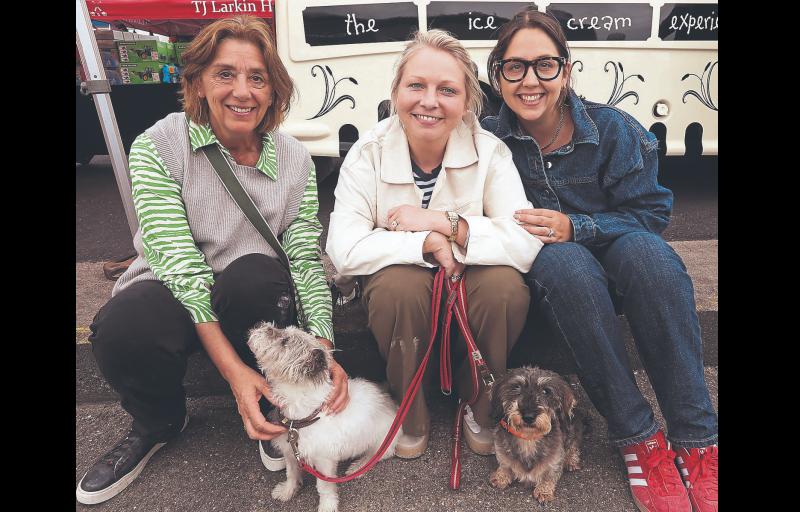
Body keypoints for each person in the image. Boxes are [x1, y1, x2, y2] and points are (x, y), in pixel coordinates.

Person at [76, 16, 348, 505]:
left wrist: (324, 357)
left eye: (257, 77)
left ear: (274, 92)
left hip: (251, 294)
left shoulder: (295, 159)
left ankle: (270, 405)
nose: (242, 91)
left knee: (256, 273)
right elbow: (180, 266)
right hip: (176, 289)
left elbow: (305, 255)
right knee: (122, 324)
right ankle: (159, 420)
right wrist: (230, 371)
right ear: (197, 81)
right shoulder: (158, 146)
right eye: (225, 74)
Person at [480, 8, 717, 512]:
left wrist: (579, 226)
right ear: (496, 73)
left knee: (651, 256)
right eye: (514, 67)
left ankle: (697, 439)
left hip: (621, 253)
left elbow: (651, 212)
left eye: (545, 65)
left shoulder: (612, 130)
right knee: (565, 263)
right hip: (558, 279)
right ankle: (639, 437)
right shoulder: (486, 139)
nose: (530, 81)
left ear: (566, 70)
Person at [326, 29, 541, 459]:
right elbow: (343, 249)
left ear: (466, 102)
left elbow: (524, 242)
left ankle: (481, 401)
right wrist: (424, 243)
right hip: (404, 295)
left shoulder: (490, 151)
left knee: (504, 286)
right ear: (395, 92)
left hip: (472, 287)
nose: (430, 101)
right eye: (416, 86)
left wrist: (448, 225)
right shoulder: (367, 152)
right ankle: (411, 406)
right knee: (396, 287)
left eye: (447, 90)